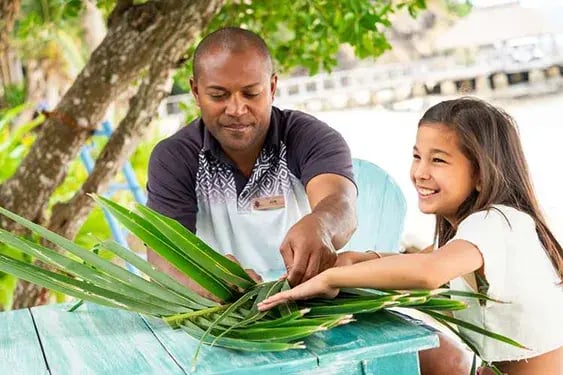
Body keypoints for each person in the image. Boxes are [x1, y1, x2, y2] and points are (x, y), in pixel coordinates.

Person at [259, 97, 563, 374]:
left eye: (438, 160)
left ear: (482, 174)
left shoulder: (497, 222)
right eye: (417, 157)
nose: (420, 172)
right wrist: (358, 259)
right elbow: (420, 259)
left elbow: (428, 271)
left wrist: (330, 279)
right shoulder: (467, 236)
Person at [146, 27, 357, 294]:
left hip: (307, 301)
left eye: (251, 93)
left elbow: (341, 204)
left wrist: (322, 225)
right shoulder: (174, 157)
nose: (236, 109)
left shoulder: (311, 137)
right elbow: (163, 255)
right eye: (218, 95)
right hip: (217, 315)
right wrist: (205, 281)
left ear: (272, 87)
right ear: (195, 92)